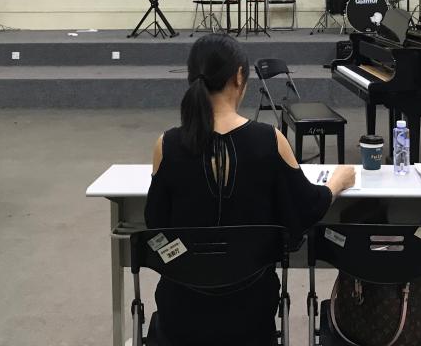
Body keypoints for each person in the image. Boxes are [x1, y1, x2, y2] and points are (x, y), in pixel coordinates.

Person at [145, 33, 355, 346]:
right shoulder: (269, 140)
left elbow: (155, 224)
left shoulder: (167, 144)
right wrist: (336, 182)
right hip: (251, 310)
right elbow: (305, 209)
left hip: (181, 310)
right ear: (240, 76)